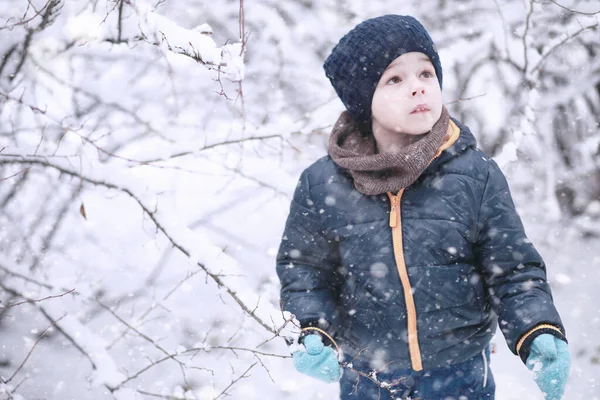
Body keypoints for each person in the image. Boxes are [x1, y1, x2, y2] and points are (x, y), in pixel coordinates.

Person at [275, 14, 571, 400]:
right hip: (369, 378)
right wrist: (312, 328)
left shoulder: (474, 176)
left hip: (460, 375)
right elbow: (305, 270)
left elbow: (513, 270)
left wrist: (539, 328)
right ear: (364, 99)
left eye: (426, 74)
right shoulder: (322, 185)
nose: (417, 88)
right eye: (395, 79)